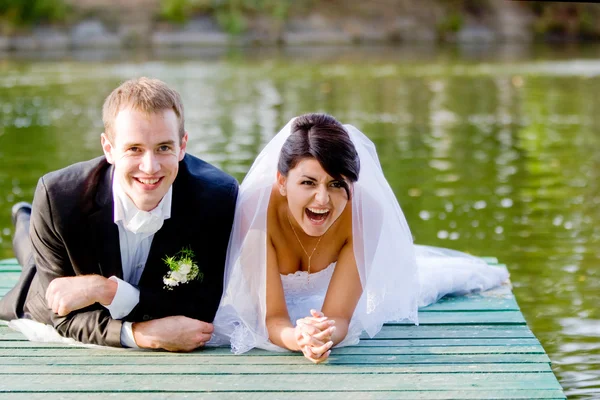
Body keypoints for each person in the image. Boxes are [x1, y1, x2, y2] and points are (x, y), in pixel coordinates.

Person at [211, 113, 508, 363]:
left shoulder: (365, 213)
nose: (322, 199)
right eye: (308, 182)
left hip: (330, 306)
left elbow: (339, 316)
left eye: (337, 183)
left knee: (443, 280)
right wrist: (298, 338)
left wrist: (324, 336)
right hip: (264, 311)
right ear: (282, 182)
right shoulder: (256, 210)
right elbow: (273, 318)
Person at [0, 77, 238, 351]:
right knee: (31, 259)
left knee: (29, 244)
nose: (150, 167)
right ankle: (24, 218)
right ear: (108, 148)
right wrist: (137, 334)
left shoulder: (218, 198)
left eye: (164, 147)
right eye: (134, 149)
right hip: (49, 272)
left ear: (183, 146)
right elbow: (61, 315)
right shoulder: (58, 198)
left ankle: (23, 219)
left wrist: (107, 291)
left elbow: (203, 305)